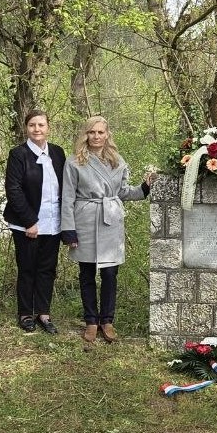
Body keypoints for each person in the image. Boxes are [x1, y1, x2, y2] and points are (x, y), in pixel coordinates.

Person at [60, 116, 155, 343]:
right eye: (92, 132)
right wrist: (68, 230)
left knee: (110, 273)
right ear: (86, 135)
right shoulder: (74, 162)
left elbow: (123, 192)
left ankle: (107, 320)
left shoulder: (117, 160)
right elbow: (67, 198)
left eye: (100, 132)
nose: (96, 136)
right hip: (85, 219)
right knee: (86, 272)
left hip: (111, 219)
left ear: (107, 134)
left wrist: (144, 188)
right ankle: (91, 321)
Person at [4, 110, 66, 334]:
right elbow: (13, 190)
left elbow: (65, 187)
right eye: (32, 125)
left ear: (48, 127)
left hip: (53, 223)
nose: (37, 129)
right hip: (27, 224)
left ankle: (43, 313)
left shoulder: (58, 152)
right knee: (27, 268)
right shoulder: (18, 154)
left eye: (41, 125)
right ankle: (25, 313)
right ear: (26, 128)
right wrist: (30, 221)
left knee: (47, 270)